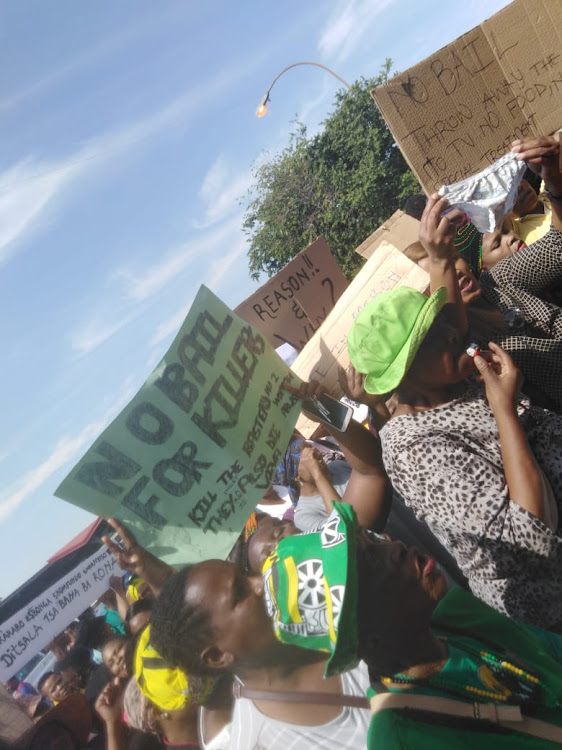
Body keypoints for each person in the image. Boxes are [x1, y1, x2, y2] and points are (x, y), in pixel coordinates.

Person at [348, 184, 562, 631]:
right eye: (431, 336)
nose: (451, 333)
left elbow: (457, 316)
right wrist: (505, 412)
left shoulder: (452, 374)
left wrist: (439, 255)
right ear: (403, 375)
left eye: (442, 321)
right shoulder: (411, 448)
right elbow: (531, 535)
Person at [262, 501, 562, 749]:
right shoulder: (403, 738)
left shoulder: (453, 614)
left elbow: (548, 649)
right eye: (372, 562)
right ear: (363, 637)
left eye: (372, 539)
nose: (393, 546)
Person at [149, 560, 371, 749]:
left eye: (246, 574)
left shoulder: (329, 610)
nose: (261, 583)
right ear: (217, 656)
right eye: (240, 592)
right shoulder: (258, 742)